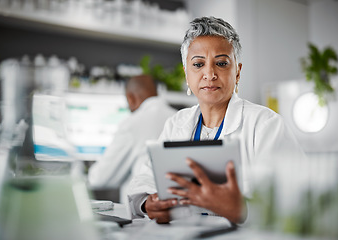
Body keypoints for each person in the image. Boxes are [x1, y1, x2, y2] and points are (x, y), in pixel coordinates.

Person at [127, 16, 305, 224]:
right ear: (186, 73)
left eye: (221, 63)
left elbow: (297, 201)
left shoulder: (265, 125)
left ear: (237, 72)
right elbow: (144, 180)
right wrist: (149, 204)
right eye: (198, 64)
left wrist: (241, 210)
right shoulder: (176, 124)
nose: (209, 74)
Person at [88, 75, 177, 193]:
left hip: (141, 207)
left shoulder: (132, 123)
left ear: (130, 98)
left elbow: (99, 179)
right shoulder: (179, 118)